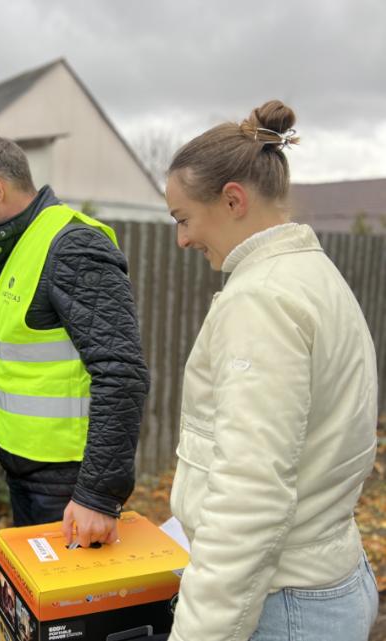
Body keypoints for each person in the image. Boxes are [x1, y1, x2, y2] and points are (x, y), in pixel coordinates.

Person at [164, 100, 379, 641]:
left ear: (233, 199)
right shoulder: (314, 275)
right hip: (330, 579)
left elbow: (251, 492)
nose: (182, 239)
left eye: (183, 218)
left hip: (285, 606)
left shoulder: (260, 300)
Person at [0, 135, 150, 547]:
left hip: (67, 481)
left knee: (71, 609)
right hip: (25, 468)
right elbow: (24, 331)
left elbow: (121, 371)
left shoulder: (72, 246)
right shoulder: (22, 242)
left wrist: (98, 495)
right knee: (36, 601)